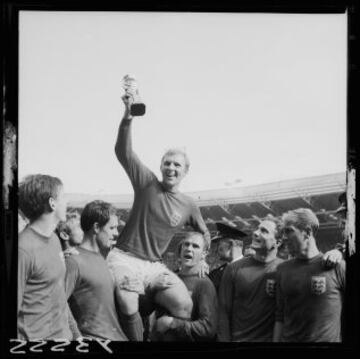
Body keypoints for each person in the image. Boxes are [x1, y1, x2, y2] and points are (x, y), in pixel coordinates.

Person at [107, 91, 210, 328]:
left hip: (154, 265)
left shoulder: (189, 205)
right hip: (124, 258)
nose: (171, 168)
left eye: (177, 165)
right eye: (167, 163)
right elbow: (123, 152)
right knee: (127, 298)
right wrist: (128, 116)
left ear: (185, 171)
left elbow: (204, 233)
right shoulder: (147, 182)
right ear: (160, 166)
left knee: (184, 304)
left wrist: (202, 259)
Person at [65, 200, 142, 341]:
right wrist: (77, 337)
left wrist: (136, 287)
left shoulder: (102, 259)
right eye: (112, 228)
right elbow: (58, 302)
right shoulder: (73, 261)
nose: (116, 233)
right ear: (96, 227)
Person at [273, 208, 345, 342]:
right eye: (283, 232)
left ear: (307, 232)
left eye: (289, 231)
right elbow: (280, 316)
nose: (283, 237)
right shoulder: (282, 269)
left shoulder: (337, 267)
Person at [18, 174, 72, 340]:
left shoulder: (55, 239)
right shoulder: (23, 249)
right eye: (63, 197)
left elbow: (59, 295)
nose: (67, 202)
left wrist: (76, 335)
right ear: (52, 203)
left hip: (65, 337)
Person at [218, 218, 284, 342]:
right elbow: (223, 313)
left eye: (264, 231)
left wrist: (333, 252)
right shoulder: (233, 269)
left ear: (278, 242)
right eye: (257, 228)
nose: (255, 233)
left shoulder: (285, 270)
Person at [152, 232, 218, 341]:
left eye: (195, 246)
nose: (189, 248)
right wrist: (153, 287)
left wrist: (172, 323)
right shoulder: (169, 278)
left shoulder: (204, 284)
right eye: (186, 244)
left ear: (204, 254)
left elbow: (208, 328)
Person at [208, 222, 247, 293]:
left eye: (219, 244)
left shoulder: (249, 269)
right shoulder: (215, 274)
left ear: (231, 244)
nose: (216, 250)